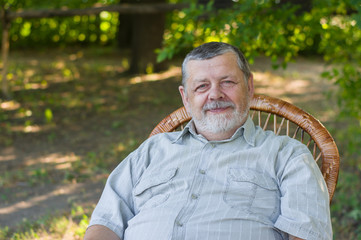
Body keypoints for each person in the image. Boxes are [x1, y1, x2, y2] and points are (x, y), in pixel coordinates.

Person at [84, 42, 332, 240]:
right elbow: (105, 223)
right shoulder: (152, 150)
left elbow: (308, 234)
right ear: (186, 97)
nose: (215, 94)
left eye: (227, 82)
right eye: (202, 86)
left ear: (249, 86)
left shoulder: (287, 155)